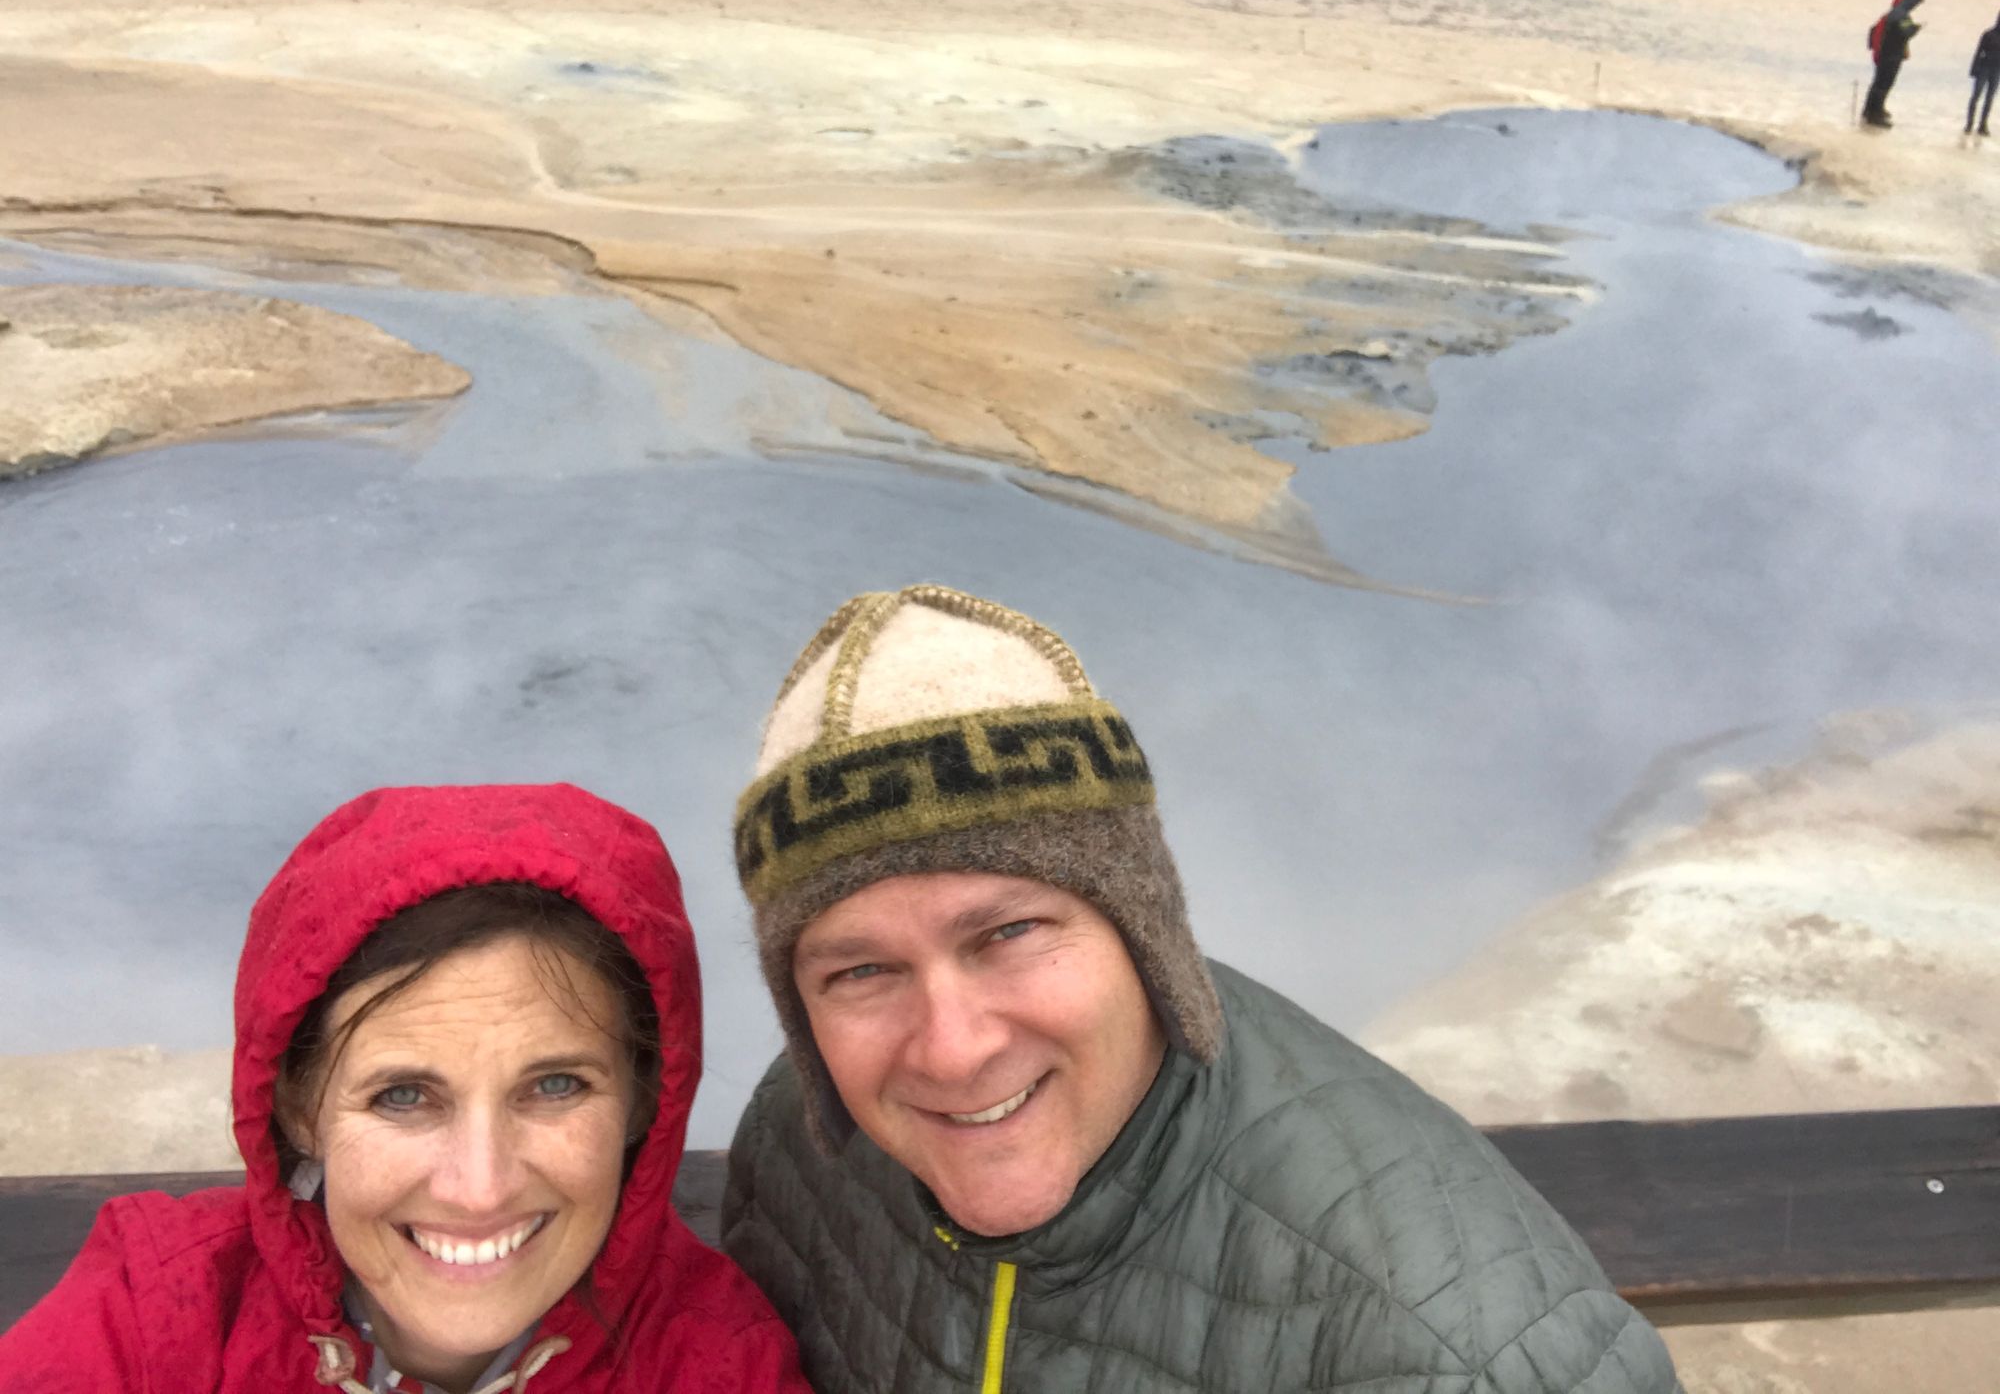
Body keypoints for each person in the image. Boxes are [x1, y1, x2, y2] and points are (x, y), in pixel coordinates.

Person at [722, 584, 1681, 1393]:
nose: (952, 1048)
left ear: (1144, 929)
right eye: (861, 970)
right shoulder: (799, 1143)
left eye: (1009, 932)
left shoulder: (1459, 1351)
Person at [0, 782, 810, 1394]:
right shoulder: (155, 1315)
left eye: (555, 1084)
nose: (480, 1186)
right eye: (403, 1095)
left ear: (644, 1098)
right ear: (298, 1106)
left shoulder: (720, 1362)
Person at [1864, 0, 1924, 127]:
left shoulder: (1894, 13)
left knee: (1878, 83)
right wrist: (1915, 28)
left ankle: (1871, 110)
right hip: (1891, 55)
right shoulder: (1901, 15)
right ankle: (1874, 114)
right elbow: (1906, 32)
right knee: (1884, 84)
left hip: (1886, 54)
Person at [1968, 10, 2000, 136]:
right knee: (1976, 96)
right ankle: (1969, 124)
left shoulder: (1989, 34)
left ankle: (1982, 125)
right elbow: (1979, 51)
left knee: (1989, 99)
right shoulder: (1988, 34)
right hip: (1984, 68)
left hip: (1997, 71)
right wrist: (1973, 69)